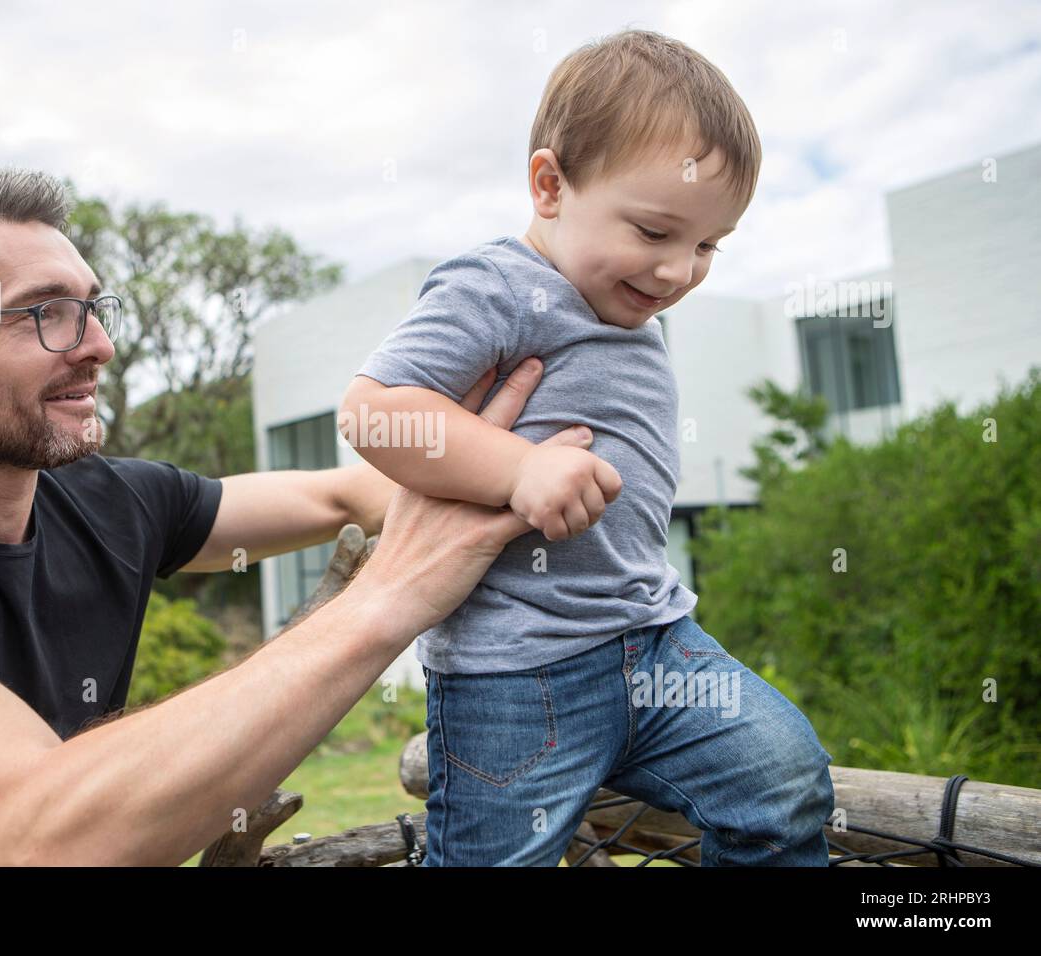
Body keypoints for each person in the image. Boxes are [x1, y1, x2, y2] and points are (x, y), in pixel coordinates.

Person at [0, 167, 594, 865]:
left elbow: (340, 496)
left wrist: (509, 469)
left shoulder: (106, 501)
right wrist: (391, 597)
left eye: (93, 308)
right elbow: (24, 839)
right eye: (46, 313)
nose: (100, 345)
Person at [340, 29, 836, 866]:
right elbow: (373, 410)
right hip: (515, 672)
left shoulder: (631, 308)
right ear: (550, 185)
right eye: (654, 231)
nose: (679, 271)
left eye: (709, 246)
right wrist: (519, 466)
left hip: (655, 637)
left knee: (785, 784)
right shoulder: (498, 285)